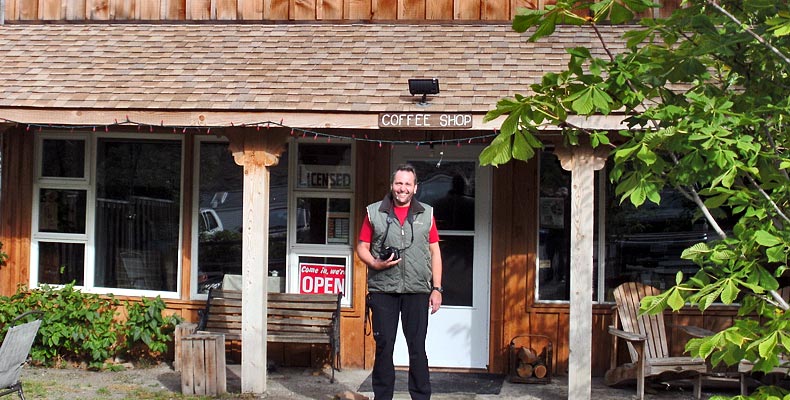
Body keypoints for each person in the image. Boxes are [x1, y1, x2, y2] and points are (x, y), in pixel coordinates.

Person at [356, 163, 443, 400]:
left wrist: (436, 289)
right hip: (383, 290)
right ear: (392, 185)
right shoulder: (374, 212)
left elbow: (435, 252)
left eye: (407, 184)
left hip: (417, 290)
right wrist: (375, 264)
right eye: (398, 183)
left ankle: (421, 397)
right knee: (384, 348)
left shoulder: (427, 214)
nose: (402, 188)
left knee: (417, 349)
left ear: (415, 188)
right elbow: (362, 247)